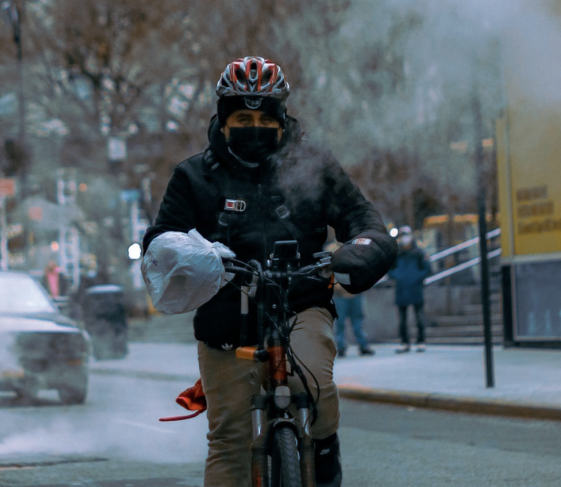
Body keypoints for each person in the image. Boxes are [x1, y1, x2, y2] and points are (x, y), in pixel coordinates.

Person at [142, 56, 397, 487]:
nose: (253, 126)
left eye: (264, 117)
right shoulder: (192, 177)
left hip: (302, 301)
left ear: (282, 120)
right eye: (242, 117)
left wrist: (359, 253)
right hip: (225, 312)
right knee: (229, 439)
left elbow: (364, 220)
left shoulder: (313, 166)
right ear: (223, 122)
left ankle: (325, 447)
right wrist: (190, 255)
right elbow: (160, 241)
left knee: (315, 384)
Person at [388, 226, 431, 353]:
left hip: (415, 288)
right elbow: (389, 269)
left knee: (419, 316)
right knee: (402, 319)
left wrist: (417, 277)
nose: (405, 238)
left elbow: (427, 269)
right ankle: (404, 341)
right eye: (403, 235)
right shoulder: (396, 252)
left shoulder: (419, 252)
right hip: (402, 288)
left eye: (407, 235)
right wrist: (398, 277)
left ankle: (421, 341)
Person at [333, 281, 375, 357]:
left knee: (358, 322)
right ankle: (341, 347)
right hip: (340, 296)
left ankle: (363, 345)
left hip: (356, 296)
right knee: (340, 323)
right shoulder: (335, 269)